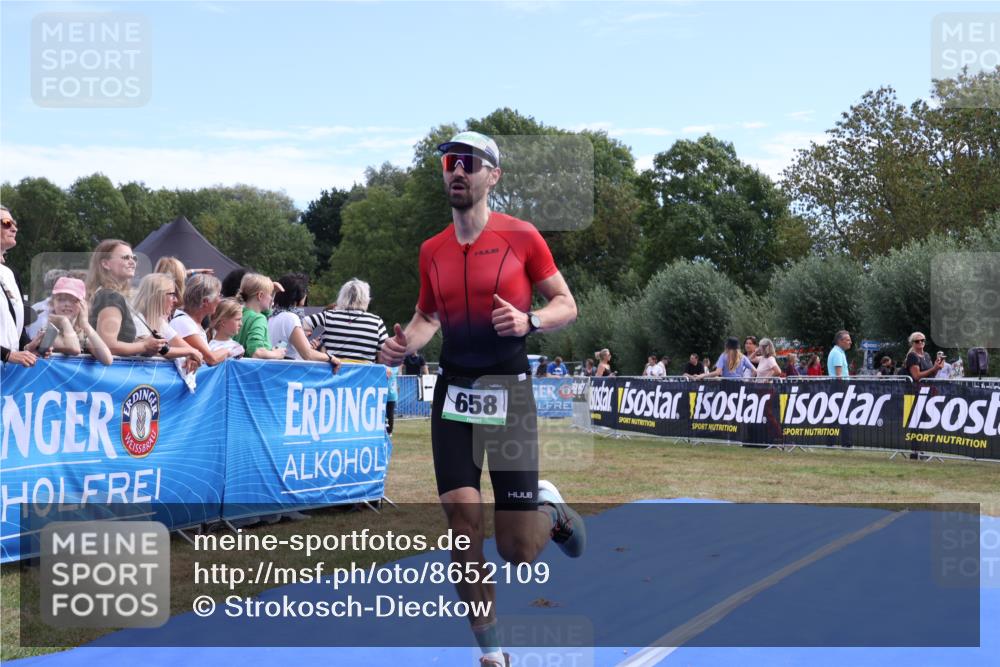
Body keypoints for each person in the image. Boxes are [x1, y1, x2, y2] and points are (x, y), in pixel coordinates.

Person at [377, 130, 584, 667]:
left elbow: (566, 303)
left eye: (469, 162)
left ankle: (551, 509)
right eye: (450, 162)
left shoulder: (522, 236)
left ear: (494, 175)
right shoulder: (432, 250)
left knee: (515, 549)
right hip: (454, 396)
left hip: (509, 393)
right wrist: (402, 345)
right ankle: (492, 653)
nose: (457, 170)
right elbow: (427, 318)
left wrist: (530, 320)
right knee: (463, 528)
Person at [86, 239, 163, 358]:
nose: (132, 262)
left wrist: (146, 345)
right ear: (105, 264)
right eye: (125, 258)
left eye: (134, 258)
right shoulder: (110, 296)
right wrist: (144, 346)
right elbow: (108, 345)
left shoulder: (108, 294)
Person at [25, 277, 113, 365]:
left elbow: (107, 359)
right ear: (53, 303)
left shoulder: (80, 332)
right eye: (61, 299)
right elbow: (74, 349)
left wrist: (85, 324)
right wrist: (64, 321)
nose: (67, 304)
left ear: (83, 305)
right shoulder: (47, 329)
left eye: (73, 300)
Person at [130, 273, 203, 373]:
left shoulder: (159, 322)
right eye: (172, 295)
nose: (176, 300)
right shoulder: (135, 318)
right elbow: (158, 350)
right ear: (158, 296)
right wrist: (190, 352)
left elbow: (184, 348)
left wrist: (191, 356)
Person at [303, 278, 388, 364]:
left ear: (342, 296)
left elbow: (301, 323)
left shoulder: (327, 316)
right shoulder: (377, 322)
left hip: (333, 374)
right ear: (366, 299)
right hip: (364, 376)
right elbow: (383, 360)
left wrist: (307, 344)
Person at [268, 273, 341, 368]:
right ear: (297, 295)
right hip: (288, 372)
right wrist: (330, 357)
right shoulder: (291, 318)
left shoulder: (272, 315)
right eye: (305, 290)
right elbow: (308, 354)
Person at [169, 273, 234, 366]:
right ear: (205, 302)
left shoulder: (192, 323)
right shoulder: (183, 322)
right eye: (219, 295)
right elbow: (211, 359)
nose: (220, 300)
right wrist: (229, 350)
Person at [1, 206, 38, 367]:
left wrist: (29, 347)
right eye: (7, 223)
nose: (14, 228)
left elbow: (16, 327)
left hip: (8, 377)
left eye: (15, 224)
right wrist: (7, 355)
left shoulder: (10, 273)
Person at [234, 273, 285, 359]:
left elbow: (266, 313)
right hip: (252, 370)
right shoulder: (258, 319)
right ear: (260, 295)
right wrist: (277, 354)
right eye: (269, 294)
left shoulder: (237, 313)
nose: (271, 299)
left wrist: (271, 290)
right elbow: (256, 352)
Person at [385, 364, 400, 435]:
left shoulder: (385, 367)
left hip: (386, 392)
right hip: (393, 393)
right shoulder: (396, 367)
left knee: (388, 413)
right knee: (390, 413)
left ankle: (388, 431)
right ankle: (389, 431)